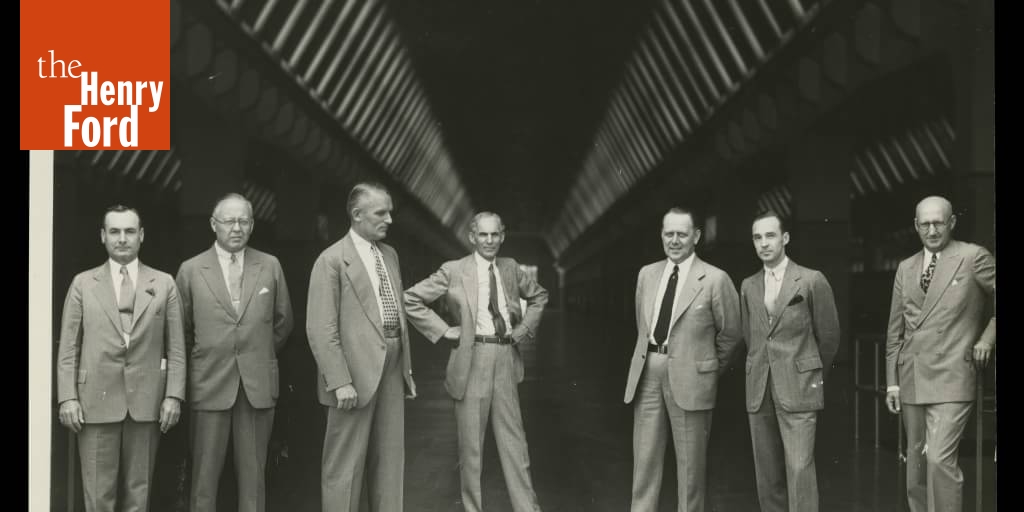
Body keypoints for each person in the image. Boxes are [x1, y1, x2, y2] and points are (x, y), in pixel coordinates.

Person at [403, 211, 548, 512]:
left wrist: (521, 331)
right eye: (483, 234)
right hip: (472, 359)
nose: (489, 240)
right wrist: (444, 331)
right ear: (472, 237)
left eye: (495, 234)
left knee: (515, 444)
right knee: (471, 449)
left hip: (505, 357)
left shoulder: (510, 268)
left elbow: (540, 296)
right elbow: (411, 299)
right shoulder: (454, 270)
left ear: (503, 236)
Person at [56, 205, 186, 512]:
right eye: (114, 231)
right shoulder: (83, 284)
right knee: (99, 498)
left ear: (141, 236)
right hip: (94, 404)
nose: (122, 238)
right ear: (103, 236)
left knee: (138, 497)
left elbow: (177, 348)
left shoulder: (164, 283)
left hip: (146, 404)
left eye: (129, 231)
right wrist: (67, 398)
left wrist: (174, 396)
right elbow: (69, 349)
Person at [175, 193, 294, 512]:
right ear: (214, 225)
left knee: (254, 482)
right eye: (229, 221)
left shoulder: (270, 265)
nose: (236, 227)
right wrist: (211, 355)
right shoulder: (190, 270)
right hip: (209, 384)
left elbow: (284, 322)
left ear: (253, 225)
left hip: (256, 387)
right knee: (203, 482)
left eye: (244, 221)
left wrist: (256, 354)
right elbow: (181, 331)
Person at [306, 182, 417, 512]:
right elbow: (320, 328)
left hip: (391, 372)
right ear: (356, 215)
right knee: (345, 468)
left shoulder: (390, 255)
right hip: (352, 380)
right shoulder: (331, 261)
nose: (389, 220)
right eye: (381, 213)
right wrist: (340, 381)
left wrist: (405, 371)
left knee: (390, 464)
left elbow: (397, 312)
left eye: (390, 212)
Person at [622, 207, 741, 512]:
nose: (674, 240)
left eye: (682, 234)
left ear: (696, 237)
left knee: (691, 470)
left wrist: (704, 369)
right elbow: (642, 324)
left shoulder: (715, 279)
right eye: (668, 233)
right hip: (648, 373)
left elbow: (731, 334)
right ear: (661, 235)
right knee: (644, 462)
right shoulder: (646, 274)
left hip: (692, 380)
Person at [885, 195, 995, 512]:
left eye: (939, 222)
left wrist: (988, 338)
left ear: (952, 223)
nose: (932, 230)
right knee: (916, 466)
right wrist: (891, 382)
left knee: (939, 459)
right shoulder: (905, 269)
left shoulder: (973, 257)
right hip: (912, 376)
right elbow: (895, 330)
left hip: (953, 374)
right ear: (916, 226)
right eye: (925, 224)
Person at [739, 211, 840, 512]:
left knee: (799, 469)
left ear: (785, 238)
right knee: (767, 474)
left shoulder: (810, 280)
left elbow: (830, 337)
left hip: (799, 387)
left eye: (770, 236)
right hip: (759, 388)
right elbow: (752, 335)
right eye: (757, 237)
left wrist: (808, 373)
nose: (764, 243)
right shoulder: (748, 285)